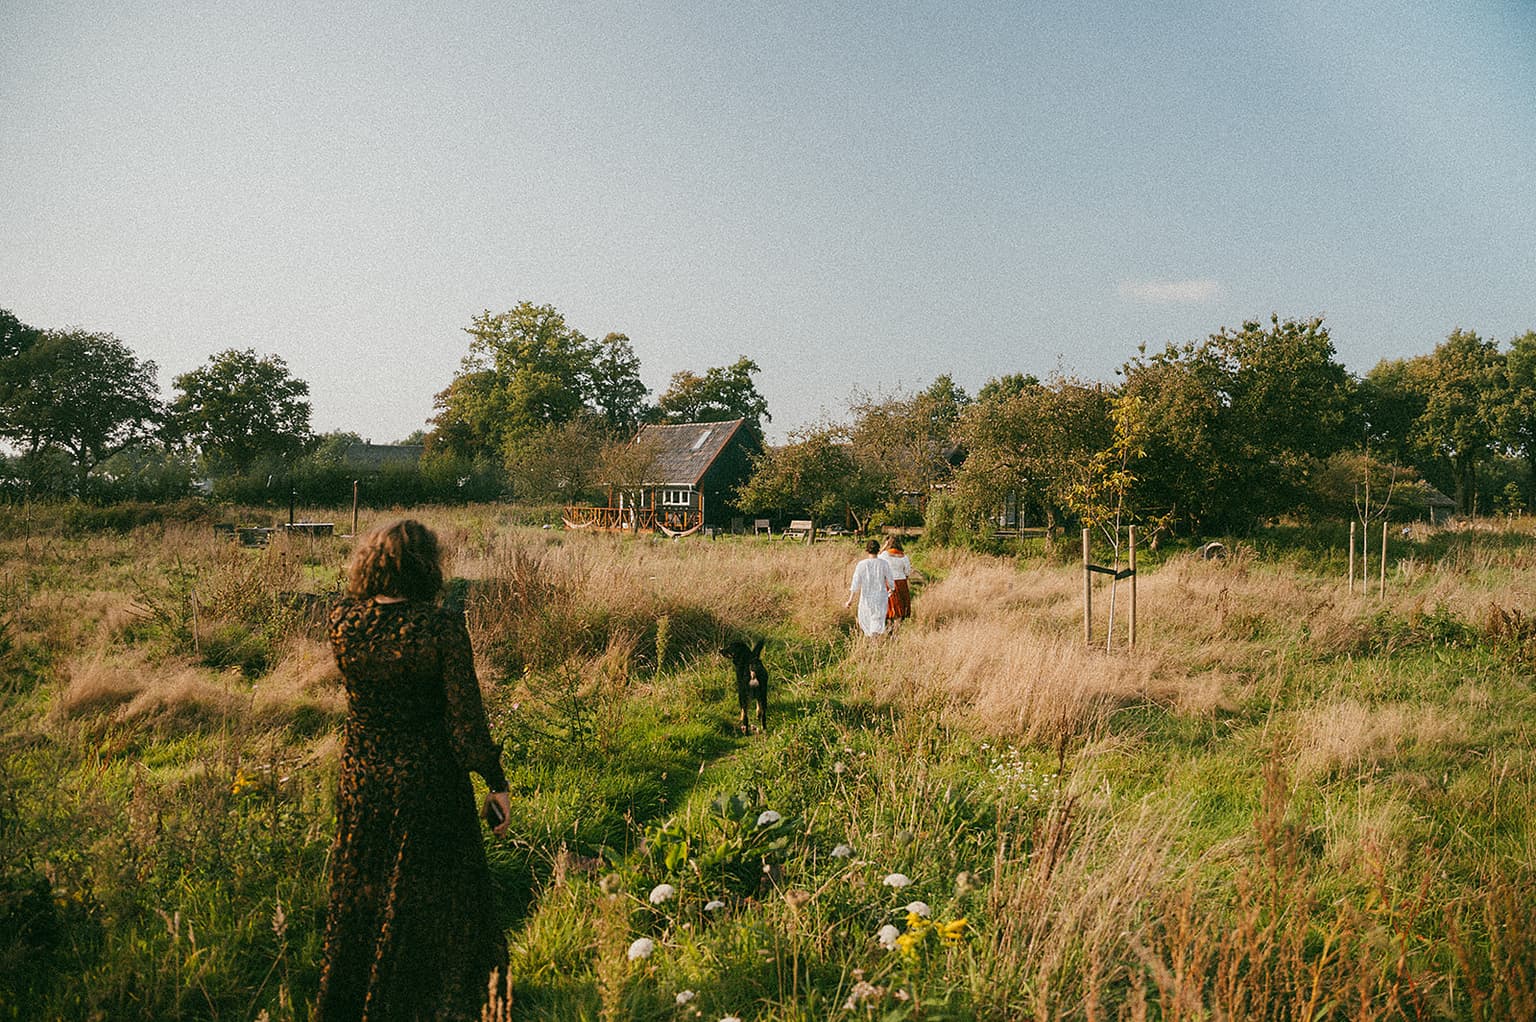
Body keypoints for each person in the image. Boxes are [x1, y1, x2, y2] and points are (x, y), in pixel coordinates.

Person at [317, 519, 511, 1022]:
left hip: (361, 780)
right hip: (428, 782)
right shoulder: (440, 628)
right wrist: (496, 783)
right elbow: (466, 724)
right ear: (428, 567)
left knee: (365, 892)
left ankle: (360, 994)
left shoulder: (342, 620)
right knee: (443, 896)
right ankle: (440, 1002)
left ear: (372, 564)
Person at [845, 539, 895, 638]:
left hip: (866, 598)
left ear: (867, 550)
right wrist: (892, 589)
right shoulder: (884, 564)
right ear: (878, 550)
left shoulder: (862, 564)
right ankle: (875, 642)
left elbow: (855, 582)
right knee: (877, 622)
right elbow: (890, 579)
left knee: (867, 621)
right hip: (880, 597)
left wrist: (850, 600)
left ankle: (872, 643)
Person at [880, 538, 915, 632]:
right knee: (900, 608)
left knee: (890, 606)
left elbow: (878, 562)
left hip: (889, 582)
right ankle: (896, 632)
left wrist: (883, 547)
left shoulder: (884, 555)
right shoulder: (904, 556)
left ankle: (889, 630)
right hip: (901, 582)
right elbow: (907, 571)